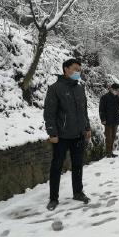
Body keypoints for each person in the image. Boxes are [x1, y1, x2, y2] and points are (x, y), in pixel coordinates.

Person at [43, 58, 92, 211]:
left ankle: (78, 192)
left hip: (78, 134)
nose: (78, 72)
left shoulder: (80, 89)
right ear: (66, 69)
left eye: (79, 70)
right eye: (75, 69)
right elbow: (49, 113)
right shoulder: (55, 88)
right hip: (61, 136)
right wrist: (52, 132)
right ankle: (53, 198)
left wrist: (87, 127)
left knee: (78, 165)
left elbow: (83, 110)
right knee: (56, 167)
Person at [99, 83, 119, 158]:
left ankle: (110, 152)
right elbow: (101, 109)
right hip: (107, 120)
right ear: (111, 89)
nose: (117, 91)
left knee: (113, 136)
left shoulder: (117, 97)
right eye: (116, 90)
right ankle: (108, 153)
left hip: (115, 119)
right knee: (108, 137)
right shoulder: (104, 97)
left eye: (118, 90)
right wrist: (103, 119)